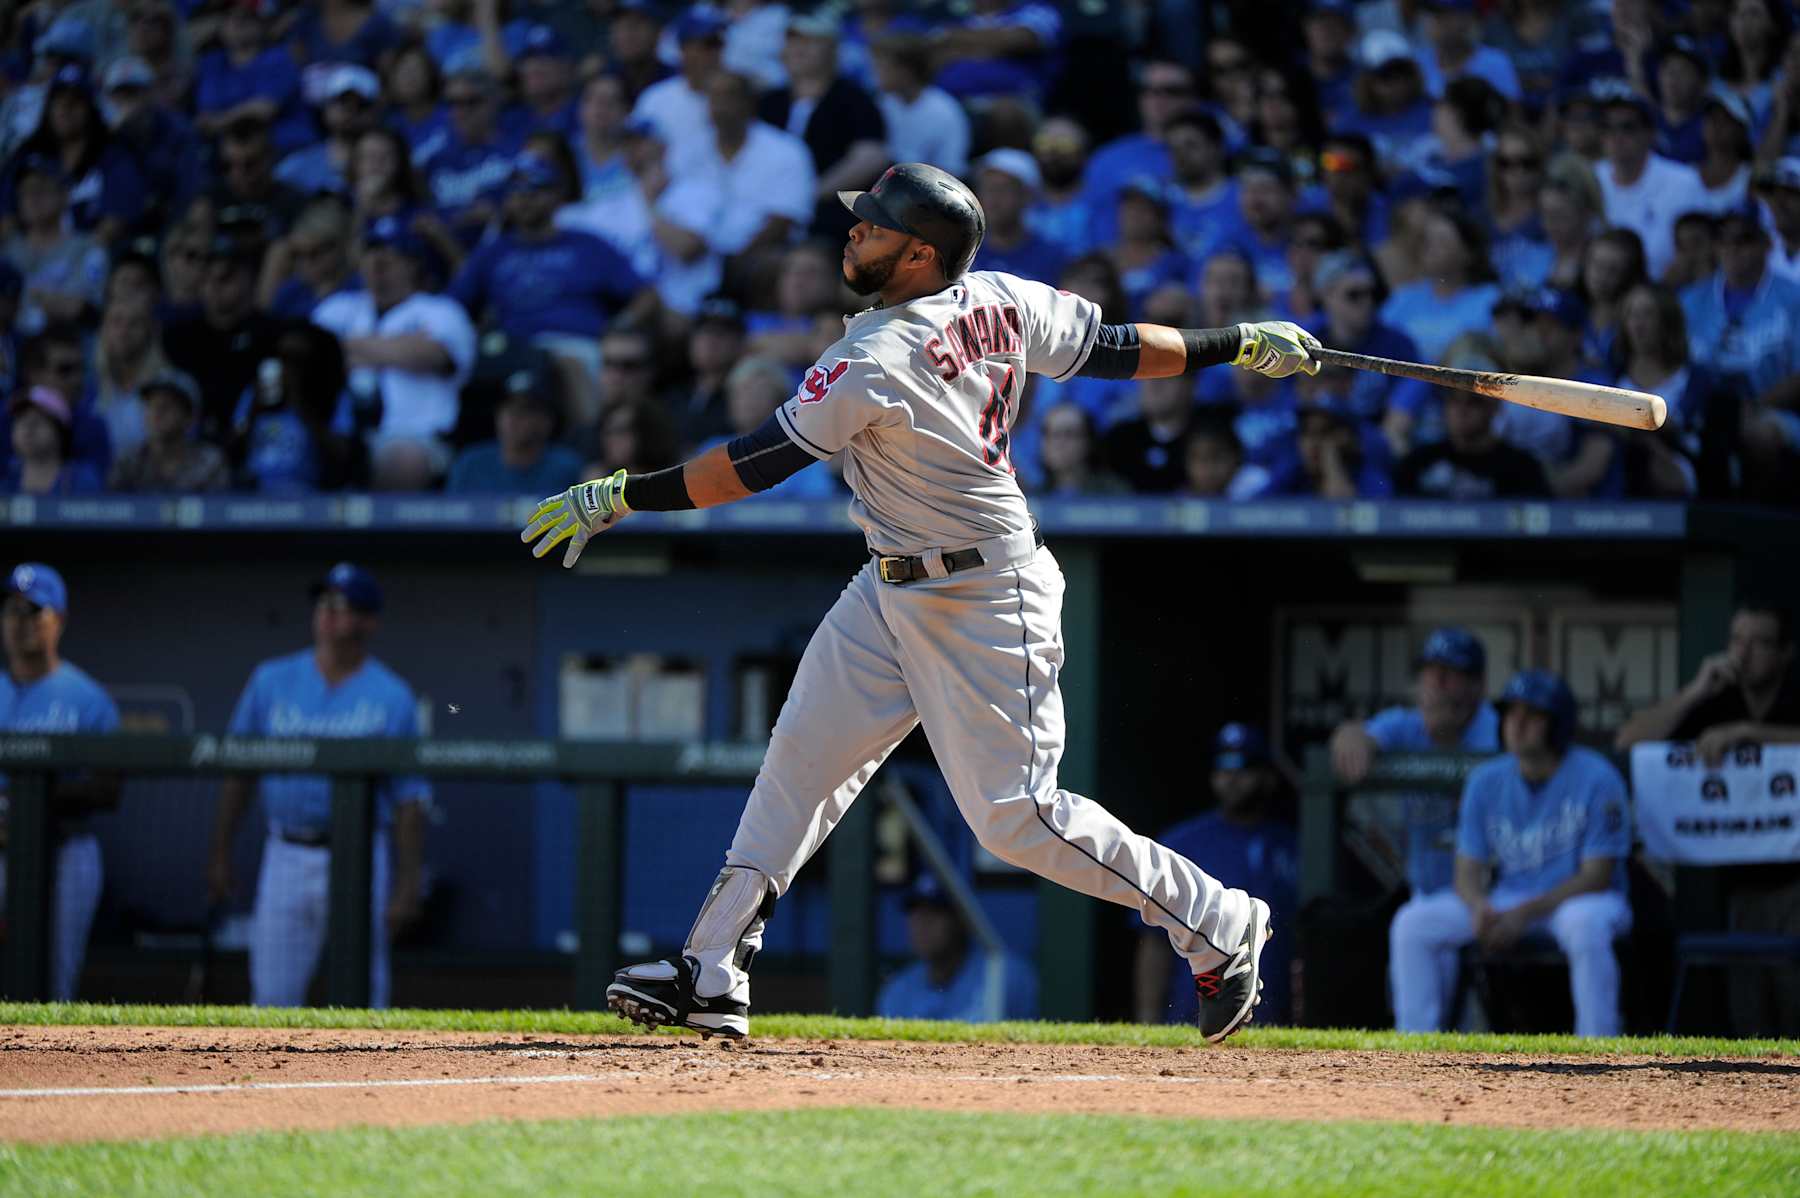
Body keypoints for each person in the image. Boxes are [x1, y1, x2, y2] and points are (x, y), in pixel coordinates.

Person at [523, 162, 1325, 1042]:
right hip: (891, 580)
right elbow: (1124, 350)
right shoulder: (1001, 298)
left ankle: (1213, 920)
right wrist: (1236, 340)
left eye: (870, 228)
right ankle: (711, 969)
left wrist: (623, 494)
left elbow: (748, 468)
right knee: (800, 764)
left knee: (1017, 818)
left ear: (917, 252)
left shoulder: (873, 356)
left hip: (984, 596)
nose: (851, 235)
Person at [208, 563, 430, 1009]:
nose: (329, 613)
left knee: (366, 996)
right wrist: (220, 851)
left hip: (361, 853)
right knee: (272, 996)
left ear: (369, 621)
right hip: (286, 851)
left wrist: (407, 884)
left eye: (343, 606)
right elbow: (239, 773)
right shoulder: (271, 680)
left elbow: (410, 799)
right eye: (324, 603)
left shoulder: (393, 695)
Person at [1390, 669, 1632, 1037]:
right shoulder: (1487, 780)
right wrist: (1478, 908)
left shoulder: (1597, 777)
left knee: (1585, 927)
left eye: (1531, 715)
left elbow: (1596, 876)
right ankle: (1416, 1045)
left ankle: (1599, 1046)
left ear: (1558, 724)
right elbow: (1466, 871)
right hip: (1510, 900)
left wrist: (1523, 914)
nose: (1516, 724)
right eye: (1511, 713)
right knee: (1413, 923)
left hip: (1580, 900)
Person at [1615, 597, 1800, 1036]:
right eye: (1738, 640)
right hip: (1738, 885)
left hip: (1795, 880)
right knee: (1750, 1018)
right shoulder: (1719, 698)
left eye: (1761, 643)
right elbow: (1628, 741)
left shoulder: (1794, 691)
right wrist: (1697, 690)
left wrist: (1750, 734)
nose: (1745, 652)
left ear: (1785, 653)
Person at [0, 562, 120, 1001]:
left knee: (56, 980)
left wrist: (30, 800)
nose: (20, 623)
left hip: (65, 849)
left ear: (59, 620)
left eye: (33, 611)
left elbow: (109, 790)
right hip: (2, 851)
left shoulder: (88, 699)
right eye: (12, 610)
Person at [1134, 724, 1298, 1025]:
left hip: (1273, 1020)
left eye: (1244, 768)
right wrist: (1148, 1018)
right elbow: (1154, 942)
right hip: (1191, 1020)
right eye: (1223, 768)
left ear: (1268, 777)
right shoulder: (1182, 842)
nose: (1232, 779)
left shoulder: (1293, 845)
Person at [1330, 627, 1500, 903]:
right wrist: (1349, 734)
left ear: (1477, 685)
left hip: (1488, 890)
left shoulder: (1497, 733)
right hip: (1424, 891)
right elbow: (1355, 736)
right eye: (1430, 672)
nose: (1436, 683)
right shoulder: (1406, 724)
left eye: (1449, 674)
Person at [314, 215, 477, 490]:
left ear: (414, 263)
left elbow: (432, 356)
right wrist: (400, 347)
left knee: (402, 459)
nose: (378, 262)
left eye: (392, 253)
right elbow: (311, 357)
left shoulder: (441, 310)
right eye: (372, 252)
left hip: (416, 436)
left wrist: (347, 346)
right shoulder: (337, 307)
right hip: (337, 430)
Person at [874, 872, 1039, 1021]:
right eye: (916, 915)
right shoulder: (898, 990)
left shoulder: (1004, 975)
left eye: (934, 914)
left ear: (962, 921)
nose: (922, 925)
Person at [1394, 383, 1551, 499]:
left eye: (1474, 401)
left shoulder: (1521, 468)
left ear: (1495, 408)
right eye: (1454, 400)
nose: (1462, 410)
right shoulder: (1418, 462)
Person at [446, 366, 583, 495]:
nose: (513, 418)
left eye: (524, 410)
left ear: (546, 421)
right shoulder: (470, 464)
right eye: (507, 409)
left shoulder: (567, 468)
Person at [106, 369, 229, 493]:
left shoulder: (210, 464)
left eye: (166, 406)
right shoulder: (128, 462)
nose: (156, 413)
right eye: (150, 405)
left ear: (189, 418)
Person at [3, 385, 103, 495]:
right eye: (20, 420)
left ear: (60, 431)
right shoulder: (6, 475)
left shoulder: (81, 479)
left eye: (37, 421)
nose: (27, 429)